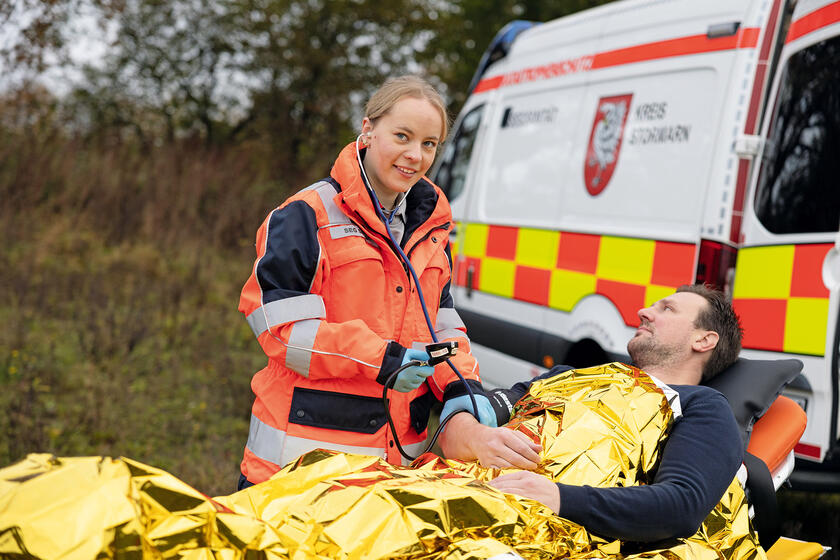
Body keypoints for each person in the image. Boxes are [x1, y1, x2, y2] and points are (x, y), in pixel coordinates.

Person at [237, 75, 496, 489]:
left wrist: (463, 385)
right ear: (368, 129)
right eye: (402, 136)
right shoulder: (305, 215)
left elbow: (442, 327)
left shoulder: (431, 227)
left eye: (429, 144)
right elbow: (280, 332)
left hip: (392, 473)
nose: (415, 155)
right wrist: (384, 360)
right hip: (301, 469)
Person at [438, 284, 745, 542]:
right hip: (453, 492)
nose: (644, 312)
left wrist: (560, 498)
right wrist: (476, 437)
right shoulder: (567, 376)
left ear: (703, 340)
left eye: (667, 309)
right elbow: (462, 419)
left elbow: (682, 505)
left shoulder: (702, 407)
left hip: (529, 531)